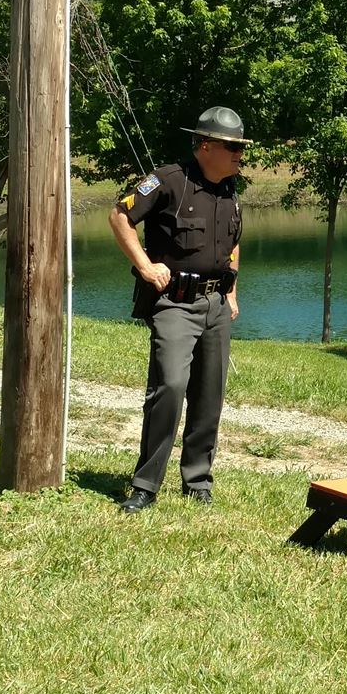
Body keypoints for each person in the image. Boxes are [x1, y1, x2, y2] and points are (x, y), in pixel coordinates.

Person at [108, 106, 246, 512]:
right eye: (232, 147)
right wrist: (144, 266)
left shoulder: (230, 189)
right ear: (205, 146)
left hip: (216, 304)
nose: (240, 154)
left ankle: (197, 481)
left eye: (241, 147)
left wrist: (232, 292)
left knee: (209, 395)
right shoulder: (168, 180)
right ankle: (145, 485)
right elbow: (119, 215)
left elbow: (233, 241)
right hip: (175, 304)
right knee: (169, 386)